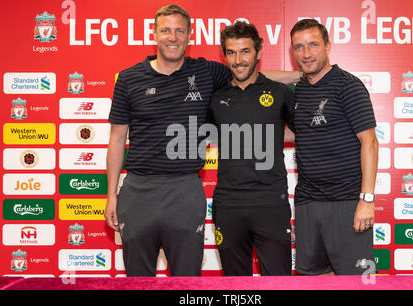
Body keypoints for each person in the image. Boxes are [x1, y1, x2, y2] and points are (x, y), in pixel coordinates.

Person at [105, 4, 301, 276]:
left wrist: (304, 74)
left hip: (186, 189)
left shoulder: (206, 72)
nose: (172, 37)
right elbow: (116, 140)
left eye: (179, 31)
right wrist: (111, 195)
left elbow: (252, 76)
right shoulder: (128, 78)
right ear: (154, 34)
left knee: (187, 281)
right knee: (137, 280)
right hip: (138, 191)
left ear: (189, 35)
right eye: (166, 30)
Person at [289, 19, 379, 275]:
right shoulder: (299, 90)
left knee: (356, 280)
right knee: (312, 278)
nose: (306, 54)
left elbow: (370, 142)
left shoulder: (347, 85)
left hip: (348, 202)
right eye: (299, 47)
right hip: (308, 202)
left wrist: (366, 200)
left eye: (313, 45)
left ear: (328, 46)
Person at [210, 21, 294, 276]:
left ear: (258, 52)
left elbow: (304, 132)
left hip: (271, 202)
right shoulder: (214, 96)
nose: (238, 60)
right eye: (231, 52)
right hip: (228, 204)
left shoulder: (280, 92)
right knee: (235, 286)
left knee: (278, 282)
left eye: (245, 51)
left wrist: (268, 134)